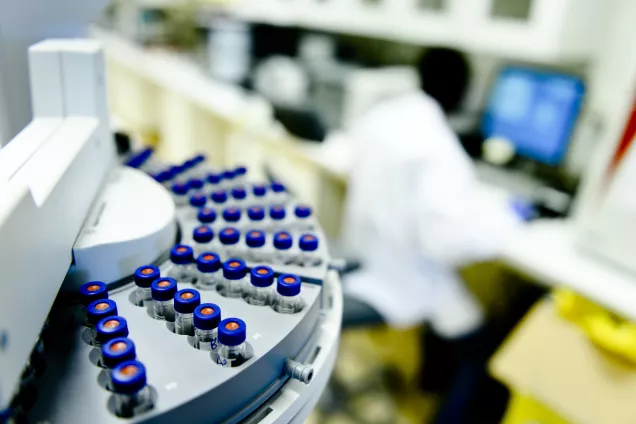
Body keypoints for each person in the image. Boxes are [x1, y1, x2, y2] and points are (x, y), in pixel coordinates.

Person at [339, 48, 524, 422]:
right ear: (462, 92)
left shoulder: (383, 117)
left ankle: (427, 385)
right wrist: (509, 218)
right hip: (404, 279)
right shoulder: (437, 145)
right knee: (483, 349)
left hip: (367, 258)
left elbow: (345, 159)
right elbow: (445, 242)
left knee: (454, 320)